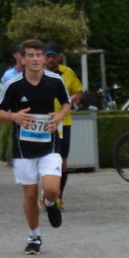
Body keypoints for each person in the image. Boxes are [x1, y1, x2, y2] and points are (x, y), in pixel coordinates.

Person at [0, 39, 72, 252]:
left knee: (52, 189)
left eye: (39, 55)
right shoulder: (14, 84)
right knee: (29, 194)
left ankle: (51, 203)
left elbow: (67, 102)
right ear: (23, 58)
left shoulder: (55, 81)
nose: (35, 59)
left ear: (44, 58)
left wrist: (60, 116)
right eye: (31, 55)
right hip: (23, 149)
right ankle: (34, 237)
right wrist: (14, 116)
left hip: (49, 144)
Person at [46, 43, 81, 201]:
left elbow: (78, 91)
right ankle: (47, 192)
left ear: (59, 57)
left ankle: (57, 196)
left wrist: (74, 99)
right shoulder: (38, 73)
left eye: (54, 56)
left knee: (62, 162)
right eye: (48, 56)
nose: (51, 59)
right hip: (43, 123)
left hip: (63, 122)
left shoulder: (68, 73)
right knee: (45, 160)